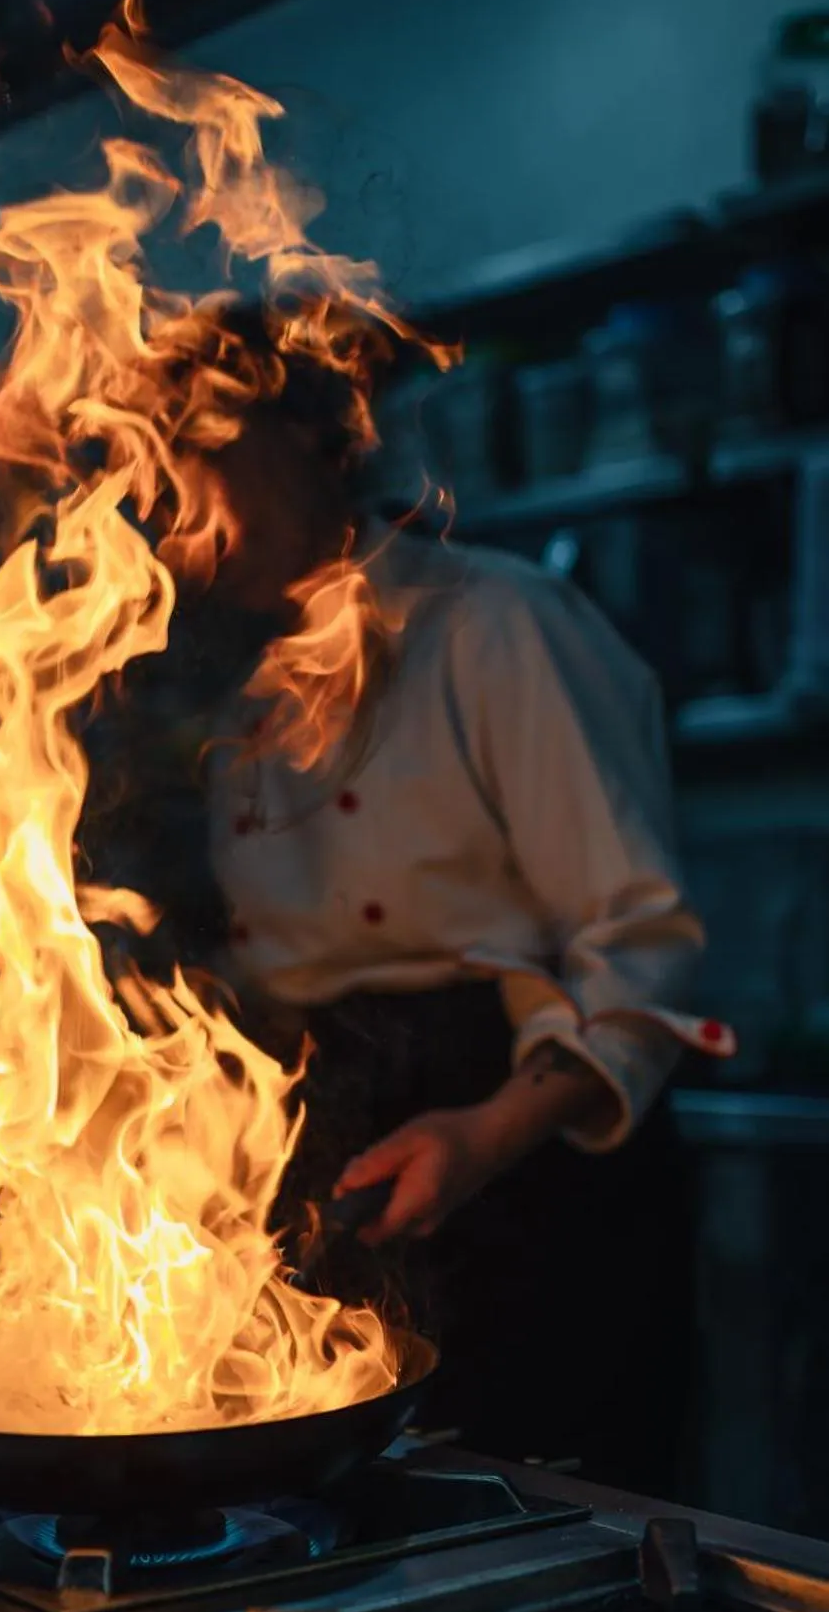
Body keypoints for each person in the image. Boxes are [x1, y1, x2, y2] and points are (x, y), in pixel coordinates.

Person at [189, 304, 732, 1494]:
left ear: (319, 436)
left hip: (522, 1160)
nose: (164, 495)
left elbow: (636, 943)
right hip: (333, 1154)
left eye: (198, 442)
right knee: (349, 1542)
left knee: (534, 1535)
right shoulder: (245, 714)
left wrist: (488, 1132)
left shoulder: (495, 625)